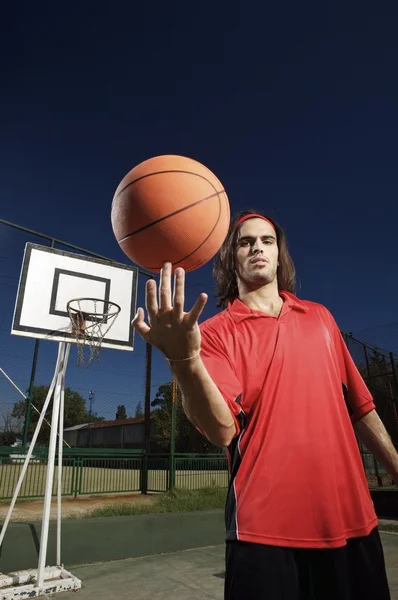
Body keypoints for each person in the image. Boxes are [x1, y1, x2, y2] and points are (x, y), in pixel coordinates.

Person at [133, 210, 396, 600]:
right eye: (245, 241)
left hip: (353, 521)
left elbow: (361, 407)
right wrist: (183, 360)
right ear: (230, 259)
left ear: (279, 256)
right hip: (263, 531)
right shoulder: (214, 333)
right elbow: (222, 429)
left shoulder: (320, 318)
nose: (257, 246)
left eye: (267, 241)